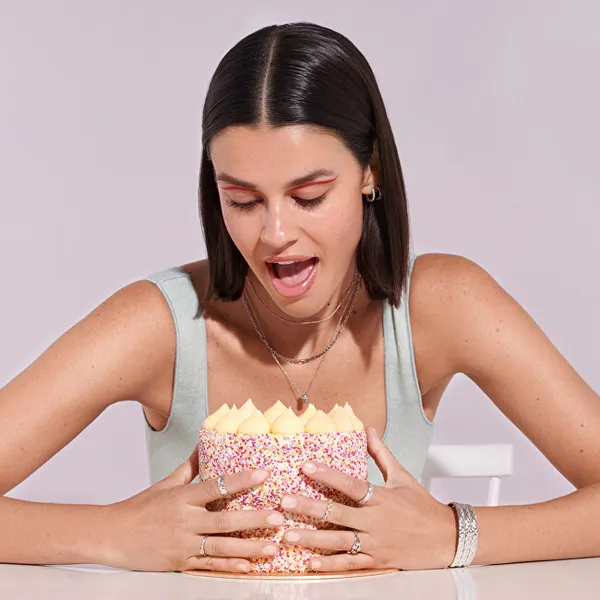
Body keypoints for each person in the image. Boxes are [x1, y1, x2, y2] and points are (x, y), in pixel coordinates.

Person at [1, 21, 599, 575]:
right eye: (242, 200)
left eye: (309, 195)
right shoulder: (164, 322)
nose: (275, 234)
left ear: (370, 173)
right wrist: (114, 533)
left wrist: (452, 535)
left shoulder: (442, 305)